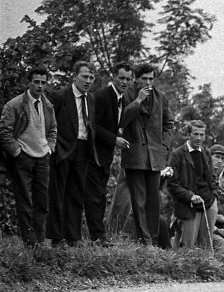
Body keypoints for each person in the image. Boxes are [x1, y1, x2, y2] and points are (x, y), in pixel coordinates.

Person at [0, 65, 57, 247]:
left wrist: (50, 147)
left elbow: (53, 129)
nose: (40, 86)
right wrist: (17, 151)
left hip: (43, 157)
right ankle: (29, 242)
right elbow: (4, 131)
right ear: (29, 82)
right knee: (24, 200)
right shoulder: (14, 104)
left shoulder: (48, 105)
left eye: (43, 82)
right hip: (23, 157)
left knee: (42, 201)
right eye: (36, 82)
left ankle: (40, 239)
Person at [45, 61, 99, 246]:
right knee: (57, 193)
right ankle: (56, 237)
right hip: (62, 149)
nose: (88, 81)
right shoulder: (59, 96)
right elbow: (48, 123)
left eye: (91, 78)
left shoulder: (91, 99)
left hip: (83, 150)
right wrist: (52, 146)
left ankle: (73, 237)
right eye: (85, 76)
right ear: (75, 76)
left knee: (76, 194)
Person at [119, 62, 173, 246]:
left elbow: (168, 124)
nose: (148, 83)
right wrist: (138, 101)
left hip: (155, 156)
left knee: (153, 202)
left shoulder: (161, 97)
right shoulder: (127, 95)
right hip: (135, 156)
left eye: (151, 79)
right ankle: (145, 242)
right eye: (144, 79)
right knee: (139, 202)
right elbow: (122, 121)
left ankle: (154, 242)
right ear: (136, 79)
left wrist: (164, 145)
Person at [87, 61, 132, 245]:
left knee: (100, 195)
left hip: (105, 156)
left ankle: (99, 237)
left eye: (128, 79)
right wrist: (114, 139)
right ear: (114, 77)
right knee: (94, 196)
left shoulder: (123, 100)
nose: (124, 82)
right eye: (121, 78)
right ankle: (97, 237)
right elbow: (94, 126)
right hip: (92, 155)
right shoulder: (102, 96)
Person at [165, 120, 224, 253]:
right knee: (187, 247)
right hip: (188, 206)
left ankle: (206, 266)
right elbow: (172, 184)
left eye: (202, 134)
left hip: (209, 203)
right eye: (195, 134)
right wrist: (190, 196)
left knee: (206, 246)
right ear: (188, 135)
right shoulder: (177, 155)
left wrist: (214, 195)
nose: (199, 138)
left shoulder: (206, 153)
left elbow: (211, 178)